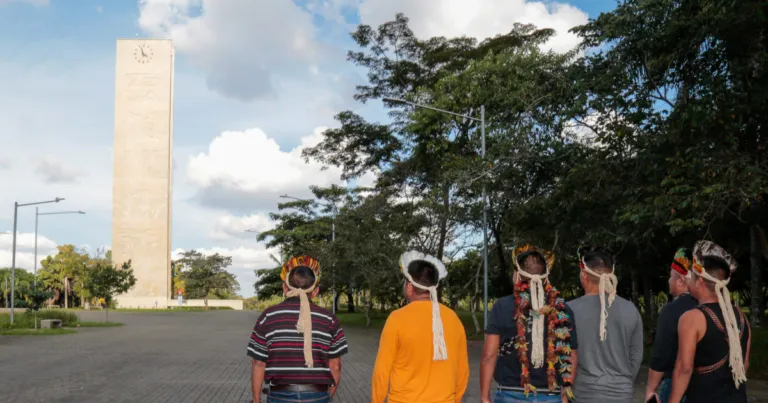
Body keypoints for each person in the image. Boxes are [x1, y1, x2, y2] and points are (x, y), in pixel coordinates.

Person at [480, 244, 578, 403]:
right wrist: (565, 396)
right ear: (546, 277)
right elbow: (571, 355)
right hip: (551, 396)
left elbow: (489, 355)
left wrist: (484, 397)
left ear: (517, 275)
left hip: (509, 394)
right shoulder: (562, 309)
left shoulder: (502, 306)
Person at [246, 256, 348, 403]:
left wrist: (256, 400)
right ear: (315, 291)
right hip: (318, 395)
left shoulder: (268, 316)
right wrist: (326, 396)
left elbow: (259, 363)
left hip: (280, 396)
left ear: (285, 287)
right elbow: (335, 365)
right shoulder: (329, 319)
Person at [371, 251, 470, 403]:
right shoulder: (453, 319)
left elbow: (381, 372)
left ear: (410, 287)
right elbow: (463, 372)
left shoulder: (396, 319)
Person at [669, 240, 752, 403]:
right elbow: (744, 364)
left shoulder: (692, 318)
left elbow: (683, 369)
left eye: (691, 276)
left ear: (700, 282)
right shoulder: (742, 317)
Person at [567, 248, 643, 403]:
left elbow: (565, 358)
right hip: (622, 394)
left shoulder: (569, 311)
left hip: (584, 394)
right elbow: (636, 357)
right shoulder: (630, 309)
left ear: (584, 275)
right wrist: (621, 383)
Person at [645, 248, 698, 403]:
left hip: (676, 385)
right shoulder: (709, 307)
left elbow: (661, 354)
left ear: (681, 280)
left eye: (670, 277)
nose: (668, 281)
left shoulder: (672, 310)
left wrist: (651, 389)